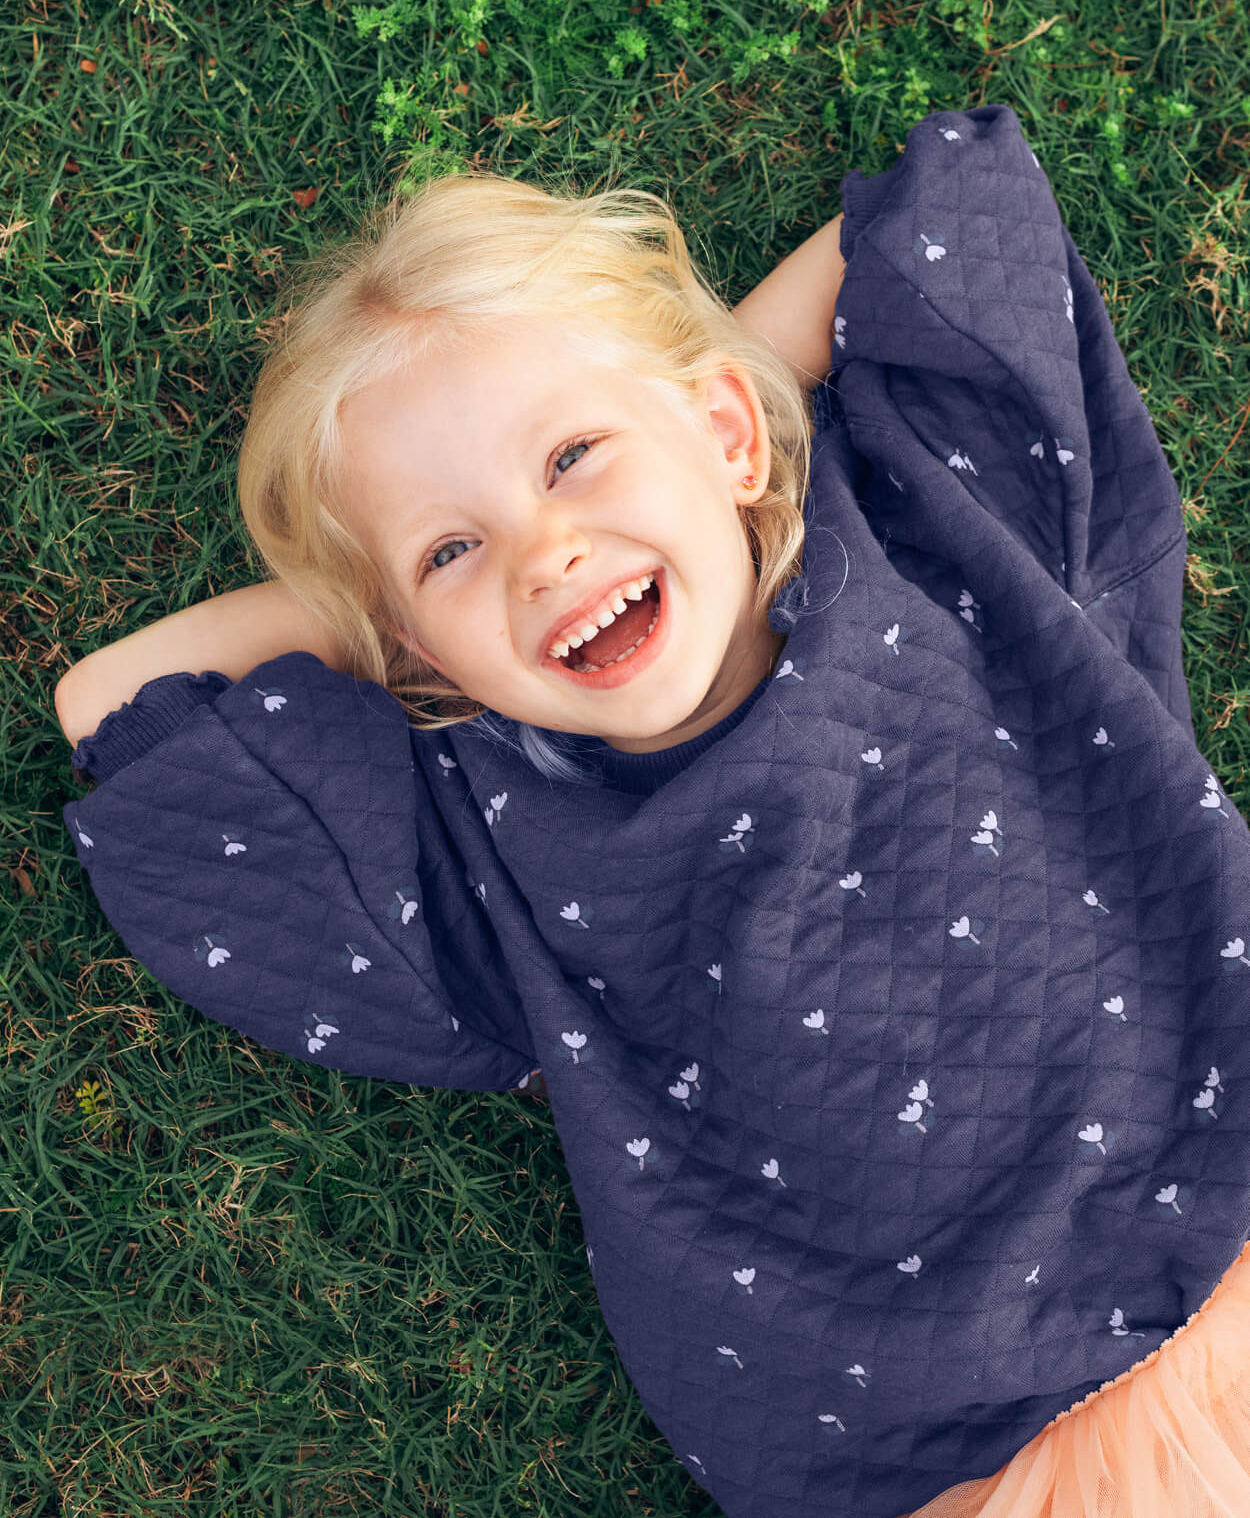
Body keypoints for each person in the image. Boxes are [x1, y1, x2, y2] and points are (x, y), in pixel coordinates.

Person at [54, 104, 1250, 1517]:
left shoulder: (930, 532)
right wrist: (392, 614)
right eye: (456, 546)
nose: (546, 552)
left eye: (571, 457)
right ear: (414, 653)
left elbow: (957, 204)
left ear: (734, 430)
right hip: (976, 1441)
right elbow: (109, 699)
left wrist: (695, 413)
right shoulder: (480, 827)